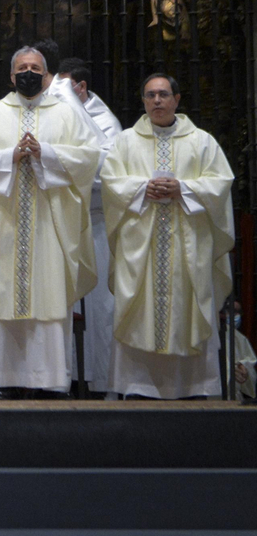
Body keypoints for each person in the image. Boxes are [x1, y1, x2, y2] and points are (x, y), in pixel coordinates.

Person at [0, 47, 104, 398]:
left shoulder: (67, 115)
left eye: (35, 68)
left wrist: (46, 154)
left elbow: (89, 159)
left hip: (49, 230)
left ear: (46, 75)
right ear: (12, 76)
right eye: (22, 67)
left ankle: (47, 382)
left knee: (47, 298)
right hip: (1, 227)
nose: (29, 72)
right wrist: (10, 156)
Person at [100, 74, 235, 399]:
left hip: (188, 246)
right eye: (150, 95)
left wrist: (183, 189)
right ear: (143, 101)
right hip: (141, 247)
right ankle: (137, 387)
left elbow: (220, 183)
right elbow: (110, 182)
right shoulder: (126, 141)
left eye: (163, 94)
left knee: (187, 309)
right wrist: (141, 188)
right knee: (140, 312)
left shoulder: (202, 142)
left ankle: (193, 388)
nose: (157, 101)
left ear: (176, 99)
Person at [54, 57, 123, 396]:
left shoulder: (105, 122)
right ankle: (62, 379)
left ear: (80, 88)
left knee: (98, 310)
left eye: (63, 89)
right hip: (61, 223)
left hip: (94, 225)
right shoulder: (59, 113)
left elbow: (104, 172)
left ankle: (97, 383)